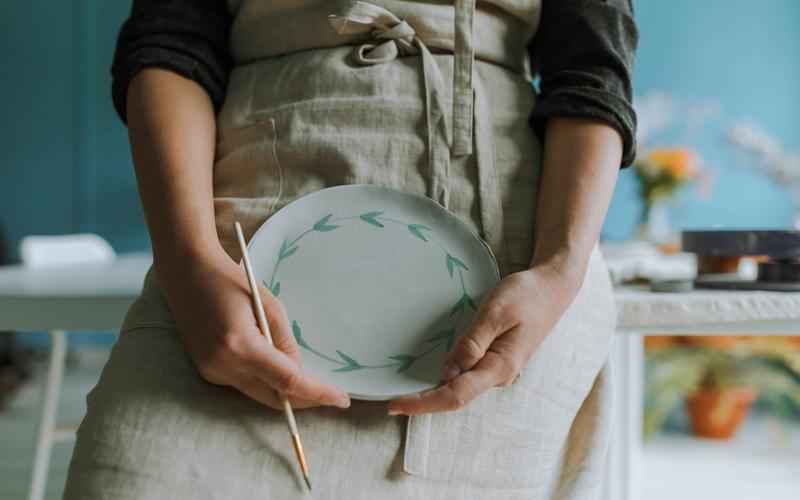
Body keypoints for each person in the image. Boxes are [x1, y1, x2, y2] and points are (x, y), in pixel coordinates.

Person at [63, 1, 638, 498]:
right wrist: (188, 261)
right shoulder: (199, 265)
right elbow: (171, 41)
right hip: (231, 247)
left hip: (519, 252)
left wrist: (559, 270)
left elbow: (591, 69)